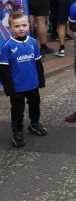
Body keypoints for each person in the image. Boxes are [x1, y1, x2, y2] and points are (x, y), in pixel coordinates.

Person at [0, 11, 47, 148]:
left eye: (24, 25)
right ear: (10, 28)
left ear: (28, 25)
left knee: (35, 104)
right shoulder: (7, 46)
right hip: (17, 87)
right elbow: (3, 69)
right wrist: (9, 88)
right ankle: (17, 132)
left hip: (32, 84)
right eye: (17, 26)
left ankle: (34, 123)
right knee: (17, 110)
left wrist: (41, 80)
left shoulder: (33, 42)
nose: (21, 28)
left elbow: (38, 63)